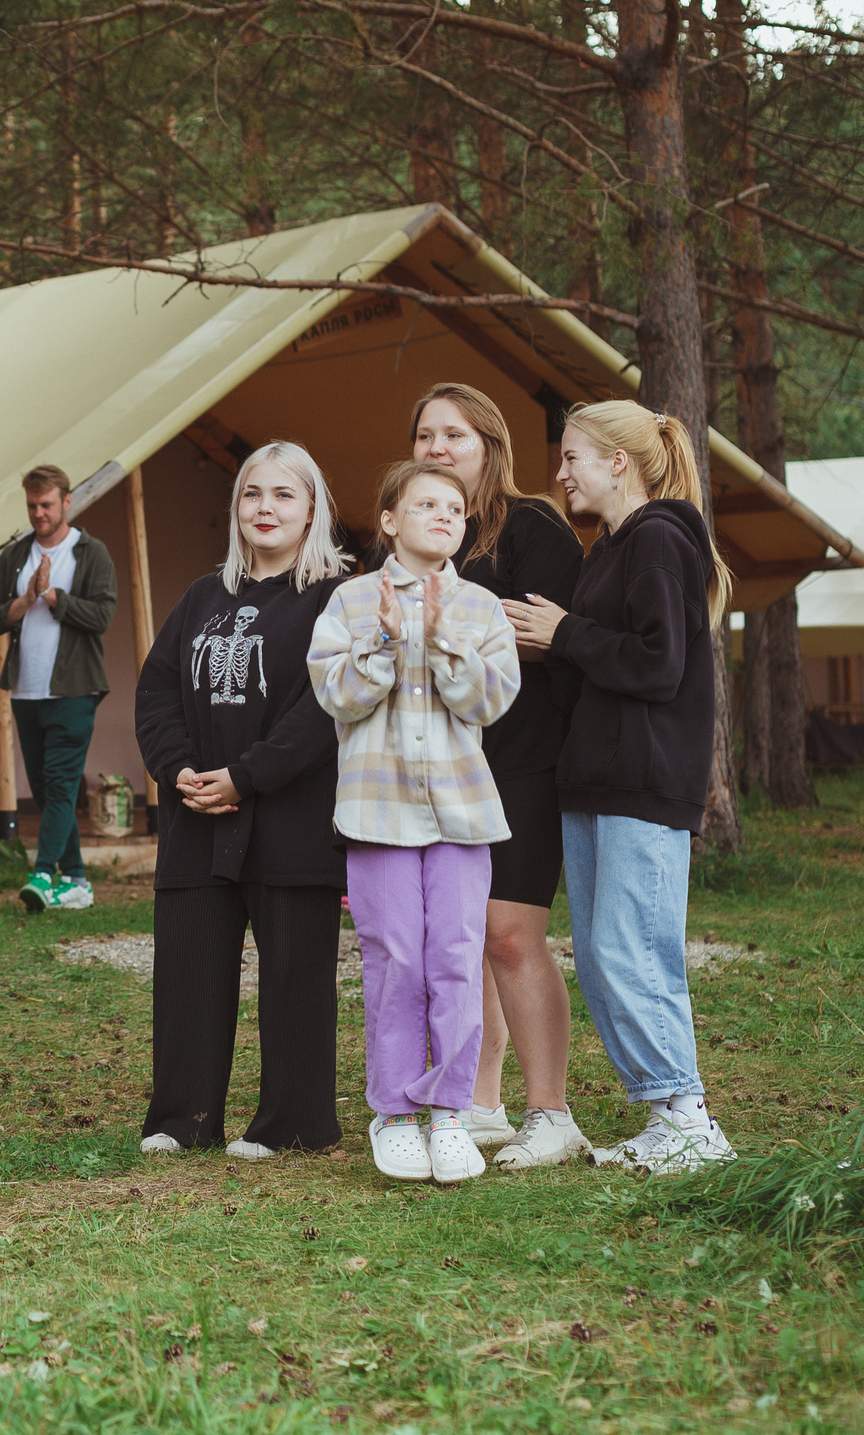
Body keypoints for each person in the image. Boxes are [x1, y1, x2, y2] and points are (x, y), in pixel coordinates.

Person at [506, 400, 739, 1173]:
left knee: (632, 947)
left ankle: (689, 1120)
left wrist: (565, 634)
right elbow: (604, 664)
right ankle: (664, 1115)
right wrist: (558, 644)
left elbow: (658, 662)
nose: (562, 472)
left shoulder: (663, 539)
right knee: (606, 954)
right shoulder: (607, 550)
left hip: (644, 779)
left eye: (573, 457)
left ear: (619, 462)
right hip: (595, 780)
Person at [132, 442, 352, 1158]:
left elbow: (324, 706)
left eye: (284, 495)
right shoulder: (203, 595)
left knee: (294, 975)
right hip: (197, 816)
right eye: (253, 494)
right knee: (191, 969)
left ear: (312, 508)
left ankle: (291, 1123)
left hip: (290, 816)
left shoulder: (335, 596)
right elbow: (157, 688)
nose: (266, 507)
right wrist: (177, 770)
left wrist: (247, 775)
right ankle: (182, 1118)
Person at [308, 460, 522, 1184]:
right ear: (391, 521)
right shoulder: (349, 600)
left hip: (464, 816)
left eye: (455, 507)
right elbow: (336, 695)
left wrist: (441, 637)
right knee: (396, 958)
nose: (443, 514)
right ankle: (396, 1113)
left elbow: (489, 701)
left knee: (458, 959)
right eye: (425, 503)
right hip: (376, 812)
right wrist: (394, 642)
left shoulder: (483, 608)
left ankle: (451, 1112)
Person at [407, 385, 591, 1170]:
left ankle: (552, 1110)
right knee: (464, 935)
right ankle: (483, 1101)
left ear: (491, 444)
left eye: (455, 433)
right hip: (441, 762)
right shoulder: (419, 533)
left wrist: (450, 636)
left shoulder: (531, 524)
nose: (437, 446)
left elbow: (551, 632)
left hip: (523, 758)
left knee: (512, 937)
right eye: (424, 434)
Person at [0, 464, 118, 913]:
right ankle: (75, 881)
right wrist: (26, 600)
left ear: (66, 503)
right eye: (32, 506)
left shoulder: (90, 552)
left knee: (59, 785)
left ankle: (42, 873)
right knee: (44, 788)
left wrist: (54, 596)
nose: (39, 513)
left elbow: (102, 616)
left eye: (47, 505)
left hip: (75, 690)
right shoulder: (16, 553)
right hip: (24, 690)